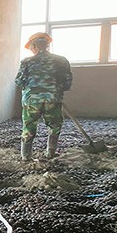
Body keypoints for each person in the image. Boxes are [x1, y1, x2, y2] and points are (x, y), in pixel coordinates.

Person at [14, 32, 73, 161]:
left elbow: (19, 81)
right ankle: (50, 154)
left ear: (34, 46)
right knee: (54, 126)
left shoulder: (27, 62)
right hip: (53, 98)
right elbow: (68, 81)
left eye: (30, 47)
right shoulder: (61, 60)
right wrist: (56, 91)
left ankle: (26, 157)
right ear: (47, 45)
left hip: (31, 100)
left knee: (29, 127)